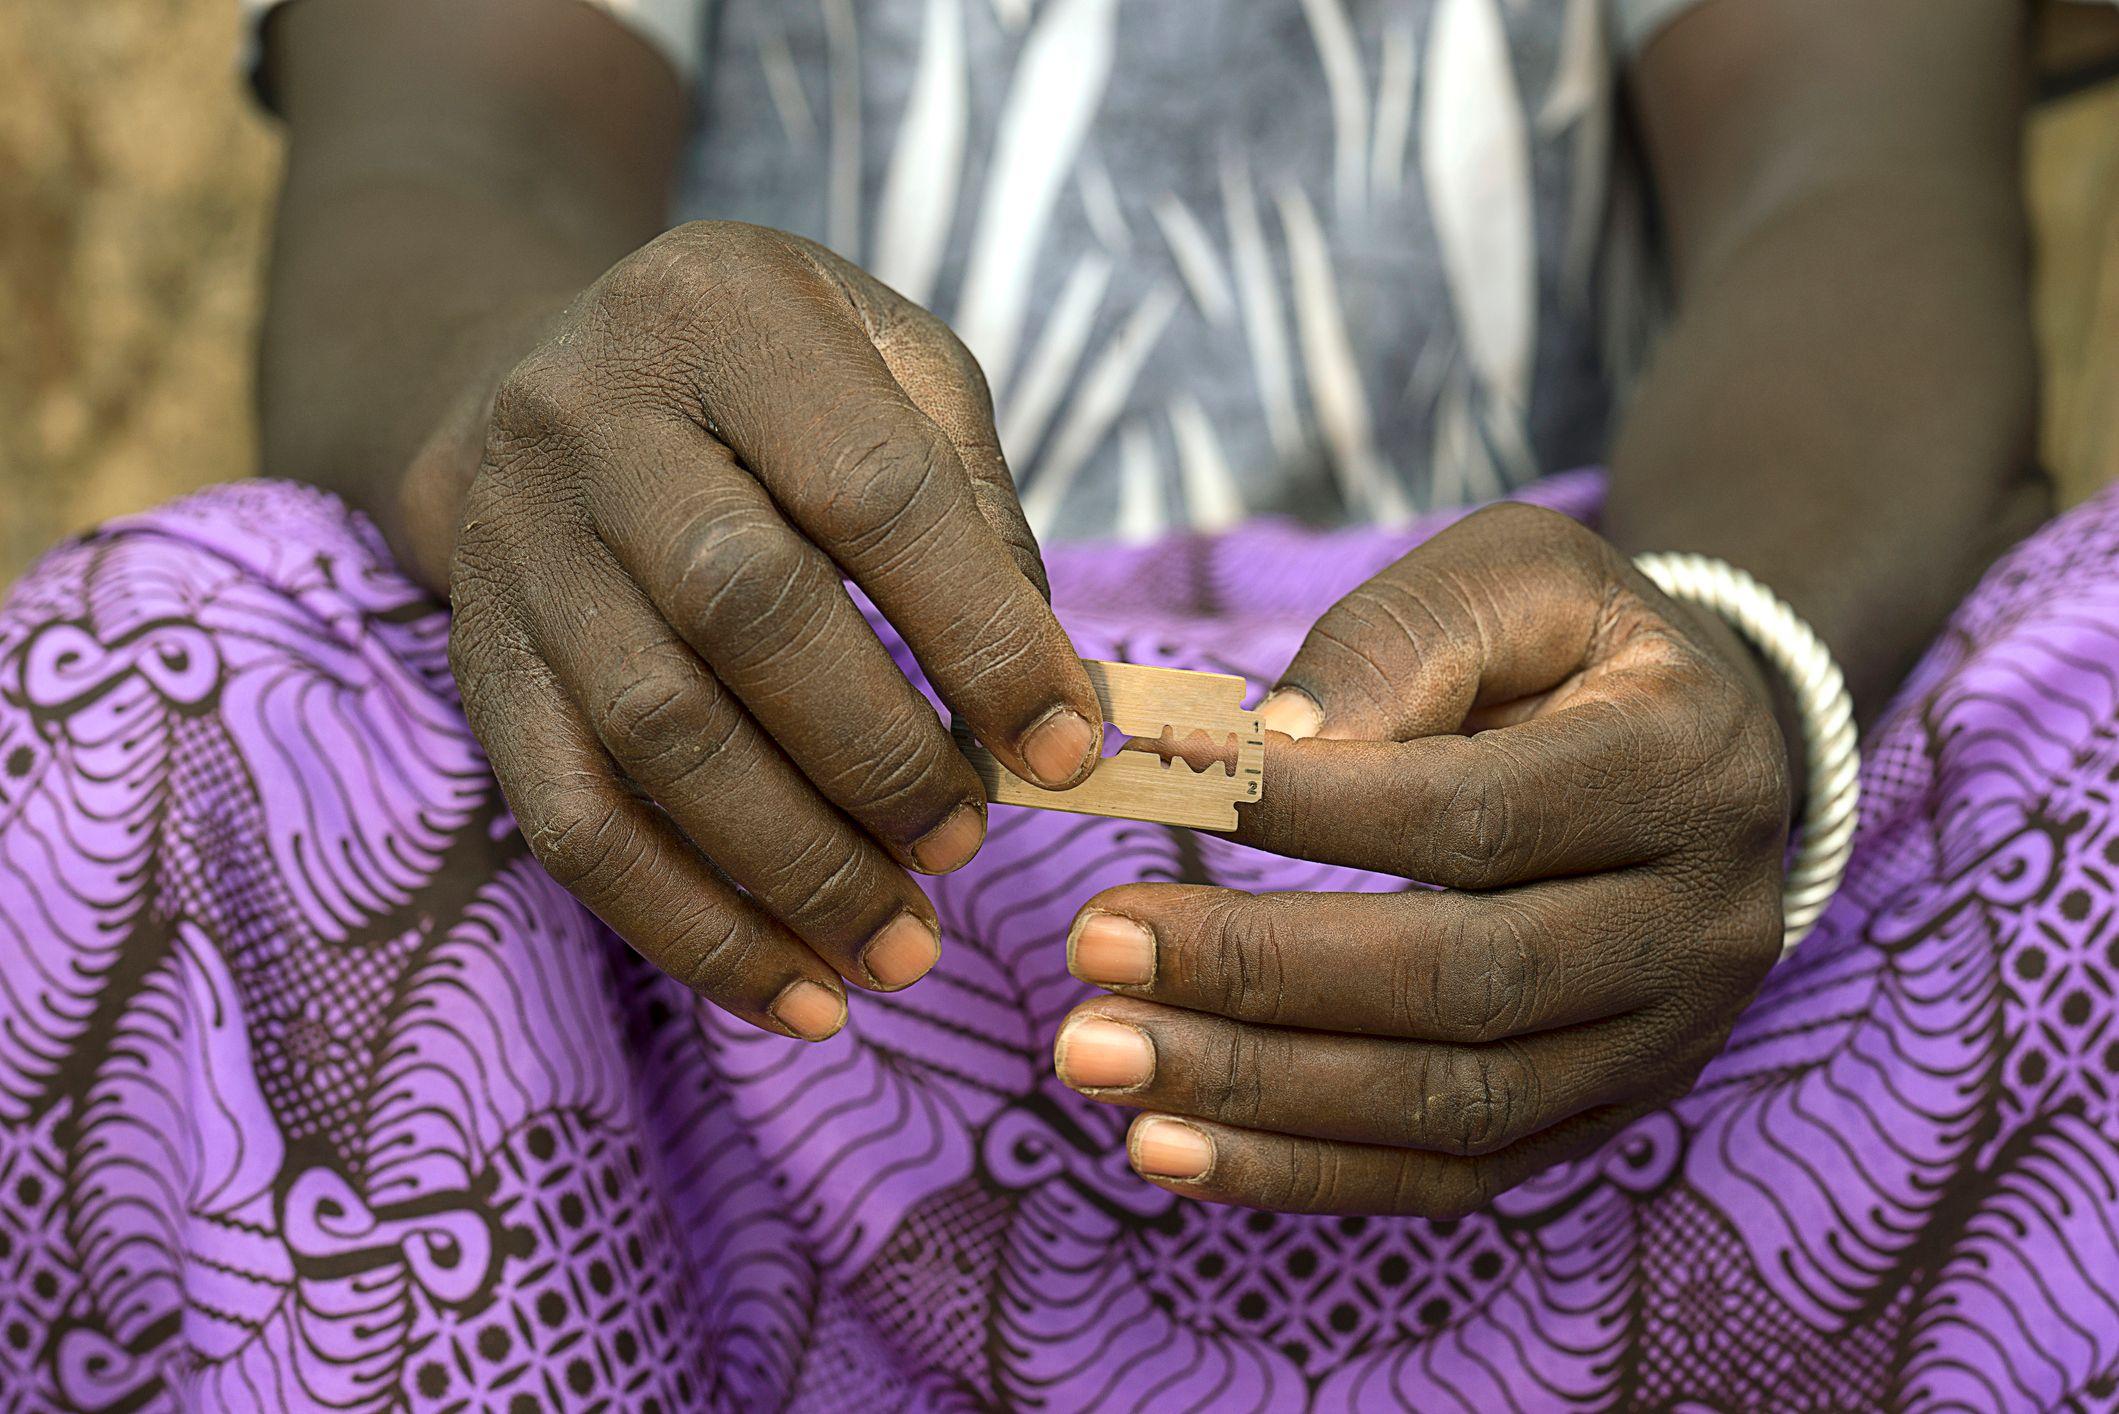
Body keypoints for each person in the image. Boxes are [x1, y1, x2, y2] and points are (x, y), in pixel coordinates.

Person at [3, 0, 2115, 1407]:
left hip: (1592, 871)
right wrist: (541, 440)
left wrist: (1728, 665)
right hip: (745, 862)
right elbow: (446, 160)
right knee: (156, 673)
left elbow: (1847, 186)